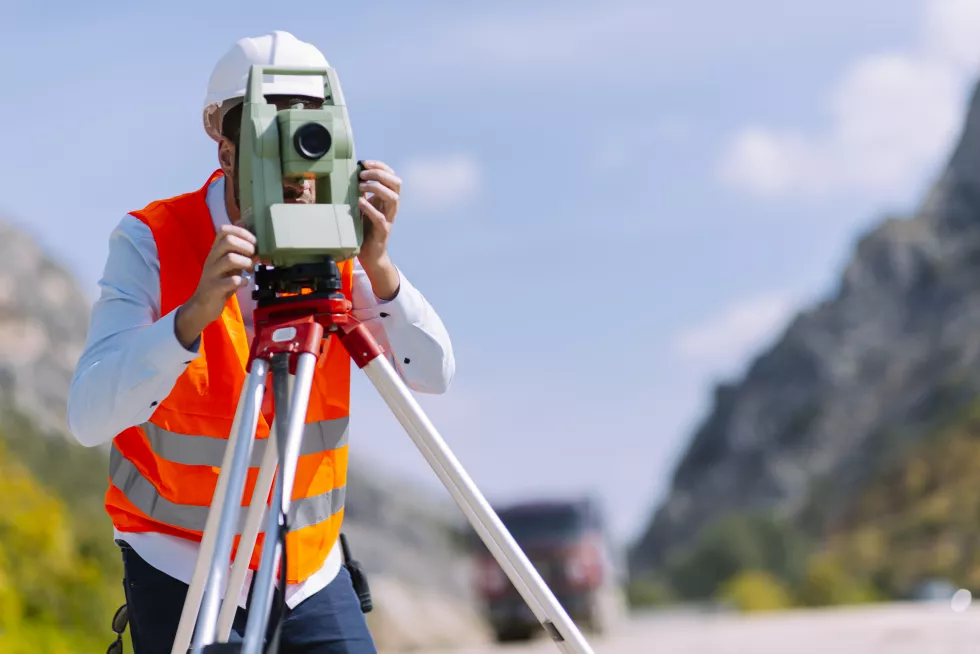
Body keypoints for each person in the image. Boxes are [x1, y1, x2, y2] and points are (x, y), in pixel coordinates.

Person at [66, 30, 455, 654]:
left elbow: (433, 373)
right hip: (184, 564)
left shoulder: (339, 244)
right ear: (224, 146)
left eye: (312, 129)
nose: (297, 162)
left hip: (308, 569)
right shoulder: (153, 241)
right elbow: (88, 416)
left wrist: (380, 269)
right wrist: (191, 317)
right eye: (274, 132)